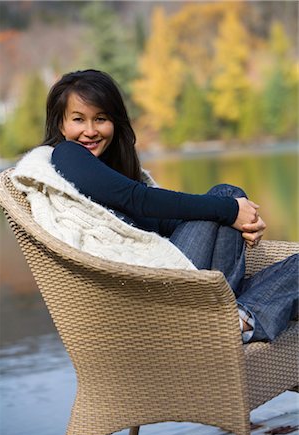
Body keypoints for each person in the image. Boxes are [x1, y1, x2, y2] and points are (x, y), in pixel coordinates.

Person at [42, 69, 297, 343]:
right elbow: (138, 200)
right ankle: (239, 318)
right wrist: (230, 210)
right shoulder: (67, 154)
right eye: (78, 119)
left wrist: (237, 219)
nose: (90, 131)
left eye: (100, 119)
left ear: (115, 122)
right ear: (61, 125)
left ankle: (238, 318)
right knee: (226, 194)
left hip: (174, 282)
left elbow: (161, 221)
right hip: (152, 293)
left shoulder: (108, 169)